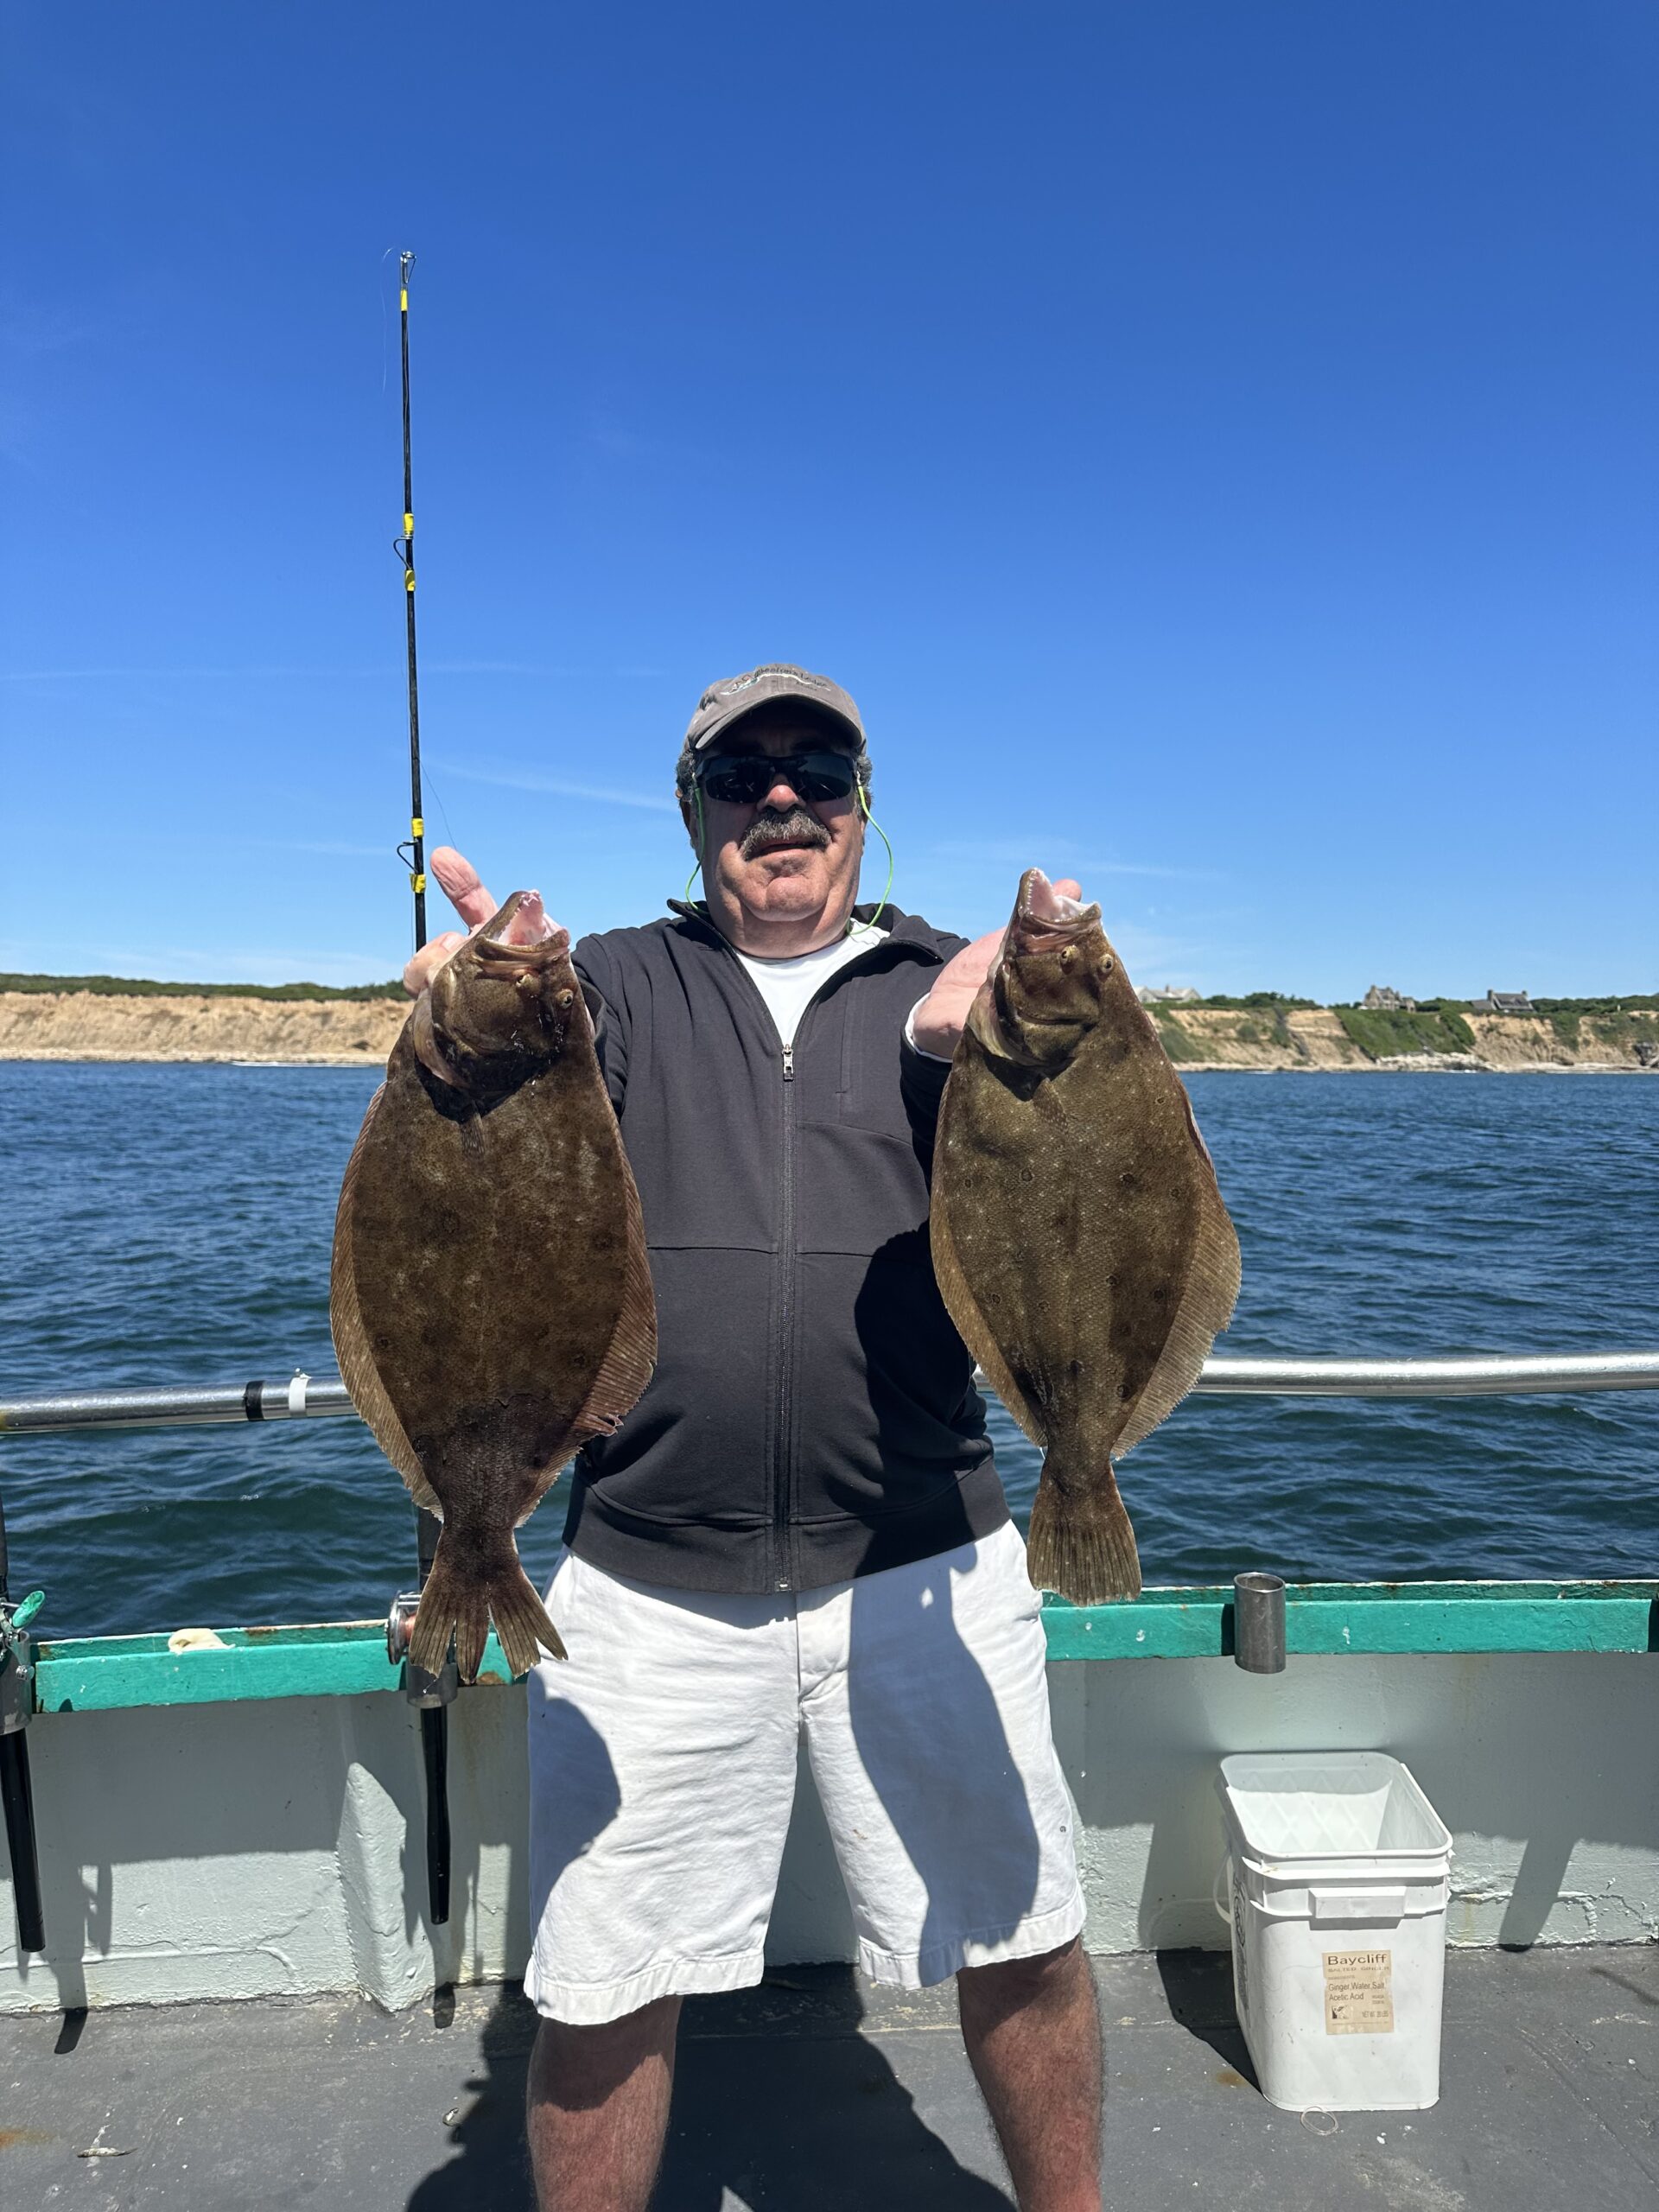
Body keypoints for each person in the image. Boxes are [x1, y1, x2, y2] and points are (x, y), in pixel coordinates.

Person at [404, 664, 1102, 2212]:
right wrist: (476, 1021)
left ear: (862, 806)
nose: (782, 801)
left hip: (928, 1563)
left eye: (818, 773)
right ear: (695, 814)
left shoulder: (949, 987)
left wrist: (995, 1045)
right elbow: (507, 1135)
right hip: (647, 1581)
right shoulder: (615, 986)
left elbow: (1085, 1184)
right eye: (743, 778)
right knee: (601, 1981)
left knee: (1025, 1932)